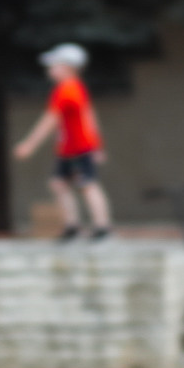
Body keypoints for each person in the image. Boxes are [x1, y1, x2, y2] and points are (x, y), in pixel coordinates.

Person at [13, 44, 111, 241]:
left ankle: (102, 227)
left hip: (80, 147)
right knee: (59, 183)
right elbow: (88, 116)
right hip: (69, 148)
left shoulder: (67, 89)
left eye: (54, 65)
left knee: (87, 184)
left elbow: (50, 120)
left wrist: (29, 144)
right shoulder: (74, 88)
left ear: (68, 67)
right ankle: (72, 225)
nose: (50, 70)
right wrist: (98, 145)